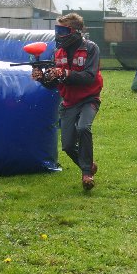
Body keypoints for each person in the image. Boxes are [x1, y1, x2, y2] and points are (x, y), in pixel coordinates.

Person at [31, 13, 103, 190]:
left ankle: (86, 174)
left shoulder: (91, 49)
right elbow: (53, 84)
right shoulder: (59, 52)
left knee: (83, 127)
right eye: (57, 29)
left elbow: (89, 77)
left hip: (89, 98)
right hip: (69, 101)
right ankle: (89, 165)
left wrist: (65, 73)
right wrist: (42, 78)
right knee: (68, 146)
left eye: (63, 30)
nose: (59, 34)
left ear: (76, 31)